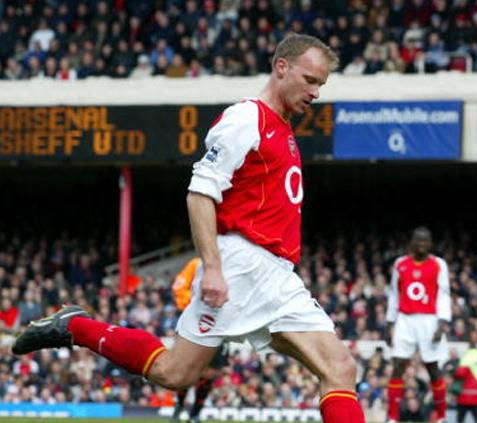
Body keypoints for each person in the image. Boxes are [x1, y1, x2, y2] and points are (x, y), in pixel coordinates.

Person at [12, 34, 365, 423]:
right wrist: (212, 267)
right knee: (175, 373)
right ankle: (76, 326)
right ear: (282, 67)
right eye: (310, 79)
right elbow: (200, 193)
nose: (315, 92)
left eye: (321, 84)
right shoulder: (247, 118)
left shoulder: (281, 129)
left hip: (276, 273)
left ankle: (73, 325)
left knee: (339, 368)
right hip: (242, 266)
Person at [386, 227, 451, 423]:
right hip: (405, 319)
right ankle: (392, 417)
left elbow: (444, 294)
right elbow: (394, 294)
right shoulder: (400, 264)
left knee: (433, 368)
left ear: (430, 244)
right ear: (412, 242)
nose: (421, 244)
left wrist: (442, 323)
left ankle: (441, 416)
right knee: (398, 365)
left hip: (429, 319)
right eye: (418, 241)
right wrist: (390, 323)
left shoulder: (439, 264)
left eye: (425, 241)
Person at [171, 257, 228, 423]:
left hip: (221, 323)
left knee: (211, 373)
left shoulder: (232, 263)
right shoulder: (196, 263)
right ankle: (180, 406)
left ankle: (195, 413)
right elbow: (179, 287)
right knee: (186, 369)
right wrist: (197, 302)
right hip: (194, 320)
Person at [454, 332, 477, 423]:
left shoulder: (467, 357)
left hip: (465, 395)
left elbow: (459, 374)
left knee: (460, 419)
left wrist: (453, 371)